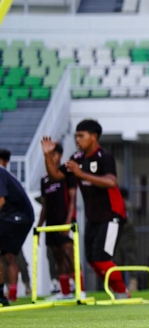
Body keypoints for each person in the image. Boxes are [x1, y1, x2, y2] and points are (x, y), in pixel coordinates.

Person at [42, 120, 129, 299]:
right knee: (91, 260)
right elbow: (55, 176)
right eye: (76, 136)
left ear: (94, 137)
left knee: (101, 258)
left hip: (112, 215)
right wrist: (47, 156)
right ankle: (116, 290)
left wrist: (81, 174)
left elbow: (111, 181)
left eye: (81, 136)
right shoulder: (77, 158)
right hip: (93, 217)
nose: (77, 139)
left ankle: (122, 292)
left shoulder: (104, 156)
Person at [37, 141, 77, 300]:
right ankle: (65, 291)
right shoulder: (44, 179)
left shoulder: (66, 173)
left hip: (64, 220)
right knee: (58, 256)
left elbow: (73, 198)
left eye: (54, 154)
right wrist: (39, 227)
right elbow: (45, 205)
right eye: (49, 155)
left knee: (69, 254)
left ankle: (80, 289)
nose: (52, 157)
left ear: (60, 155)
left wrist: (68, 221)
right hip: (51, 223)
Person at [0, 153, 34, 304]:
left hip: (17, 218)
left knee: (8, 256)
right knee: (9, 256)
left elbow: (1, 200)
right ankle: (11, 294)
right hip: (19, 218)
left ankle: (2, 294)